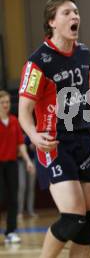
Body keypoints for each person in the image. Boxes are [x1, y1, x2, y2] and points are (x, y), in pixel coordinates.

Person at [18, 0, 90, 258]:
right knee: (73, 217)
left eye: (76, 12)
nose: (75, 17)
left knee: (87, 217)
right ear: (52, 22)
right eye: (67, 13)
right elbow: (24, 110)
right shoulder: (38, 62)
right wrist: (33, 135)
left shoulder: (83, 54)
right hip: (53, 142)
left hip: (83, 139)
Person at [0, 90, 35, 244]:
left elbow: (20, 144)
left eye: (7, 102)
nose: (6, 105)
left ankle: (11, 232)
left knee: (13, 199)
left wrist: (27, 160)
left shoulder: (14, 121)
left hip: (12, 163)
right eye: (2, 102)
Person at [17, 134, 38, 218]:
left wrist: (34, 146)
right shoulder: (17, 130)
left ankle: (30, 210)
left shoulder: (32, 132)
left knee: (31, 187)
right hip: (20, 162)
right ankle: (19, 211)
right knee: (22, 186)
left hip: (32, 161)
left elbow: (35, 147)